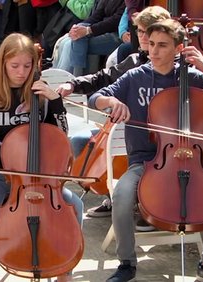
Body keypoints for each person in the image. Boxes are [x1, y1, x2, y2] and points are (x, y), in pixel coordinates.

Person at [0, 33, 84, 282]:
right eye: (15, 66)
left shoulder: (41, 96)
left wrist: (55, 103)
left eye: (28, 65)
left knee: (76, 207)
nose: (22, 72)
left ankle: (64, 269)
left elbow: (61, 137)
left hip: (35, 178)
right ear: (3, 64)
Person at [87, 19, 203, 281]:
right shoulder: (135, 77)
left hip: (193, 160)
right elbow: (94, 97)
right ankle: (127, 262)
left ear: (177, 49)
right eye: (151, 44)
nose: (153, 51)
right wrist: (111, 101)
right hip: (145, 161)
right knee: (122, 194)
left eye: (162, 45)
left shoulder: (194, 78)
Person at [56, 5, 170, 219]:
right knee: (80, 141)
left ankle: (145, 203)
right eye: (139, 31)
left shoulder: (171, 68)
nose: (142, 36)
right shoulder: (135, 62)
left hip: (156, 139)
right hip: (128, 131)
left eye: (147, 31)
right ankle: (113, 197)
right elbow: (103, 77)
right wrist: (73, 84)